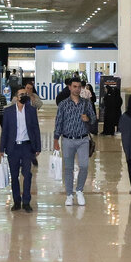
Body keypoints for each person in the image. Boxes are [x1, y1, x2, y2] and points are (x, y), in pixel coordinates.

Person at [53, 77, 96, 206]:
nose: (77, 89)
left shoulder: (86, 103)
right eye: (75, 86)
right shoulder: (63, 104)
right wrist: (56, 139)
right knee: (68, 168)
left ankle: (79, 190)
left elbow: (94, 119)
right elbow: (58, 122)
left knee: (84, 166)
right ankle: (69, 194)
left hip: (83, 139)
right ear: (70, 87)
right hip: (67, 140)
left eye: (79, 87)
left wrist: (88, 118)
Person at [0, 86, 42, 212]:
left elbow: (36, 129)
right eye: (21, 94)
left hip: (27, 146)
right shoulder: (8, 111)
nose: (24, 96)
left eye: (25, 94)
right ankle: (16, 201)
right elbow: (5, 131)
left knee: (27, 174)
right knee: (14, 175)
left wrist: (38, 147)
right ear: (16, 97)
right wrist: (2, 148)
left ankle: (26, 202)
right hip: (13, 147)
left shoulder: (31, 110)